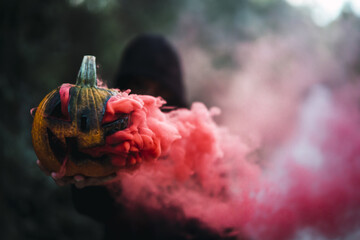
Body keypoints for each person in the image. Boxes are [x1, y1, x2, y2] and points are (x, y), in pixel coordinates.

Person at [39, 34, 232, 240]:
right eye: (140, 85)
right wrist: (89, 169)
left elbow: (225, 222)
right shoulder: (111, 138)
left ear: (176, 96)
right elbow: (95, 206)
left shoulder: (200, 146)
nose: (151, 98)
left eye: (162, 91)